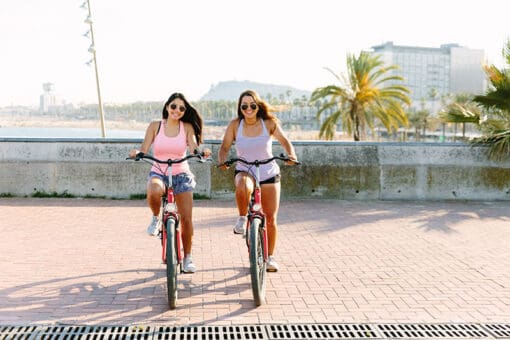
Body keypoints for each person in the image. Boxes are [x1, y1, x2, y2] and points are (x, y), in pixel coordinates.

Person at [218, 89, 298, 272]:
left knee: (270, 218)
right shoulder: (234, 125)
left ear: (257, 106)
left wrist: (291, 155)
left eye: (252, 105)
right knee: (242, 185)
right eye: (244, 105)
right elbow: (224, 147)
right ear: (240, 107)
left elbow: (285, 141)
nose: (248, 108)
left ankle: (270, 257)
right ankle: (241, 218)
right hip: (245, 169)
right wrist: (222, 161)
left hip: (268, 171)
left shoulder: (268, 123)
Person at [129, 92, 209, 273]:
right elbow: (144, 148)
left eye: (181, 108)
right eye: (174, 106)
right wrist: (137, 153)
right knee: (154, 188)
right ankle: (156, 218)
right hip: (159, 171)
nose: (177, 110)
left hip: (181, 175)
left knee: (187, 219)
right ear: (167, 107)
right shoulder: (155, 126)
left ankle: (188, 257)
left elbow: (194, 146)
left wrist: (200, 151)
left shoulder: (186, 127)